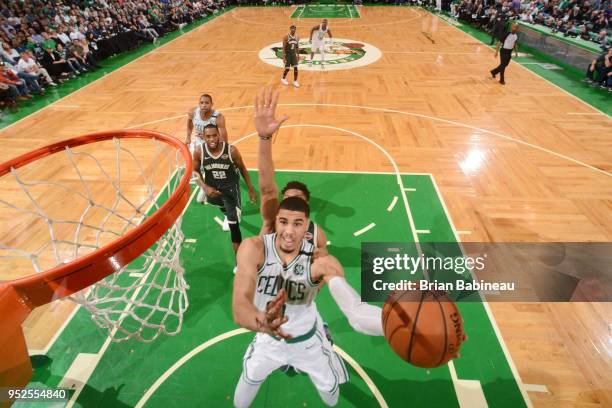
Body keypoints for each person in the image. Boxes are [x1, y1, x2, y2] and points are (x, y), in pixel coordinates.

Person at [232, 89, 384, 408]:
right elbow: (267, 186)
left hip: (307, 338)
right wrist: (263, 138)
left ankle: (319, 334)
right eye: (286, 207)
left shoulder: (318, 248)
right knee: (244, 391)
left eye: (299, 211)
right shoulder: (262, 238)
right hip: (267, 337)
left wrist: (398, 322)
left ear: (307, 219)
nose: (289, 223)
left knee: (330, 394)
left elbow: (355, 312)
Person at [192, 123, 257, 251]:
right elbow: (195, 172)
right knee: (220, 205)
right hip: (212, 187)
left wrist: (250, 188)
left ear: (219, 135)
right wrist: (204, 187)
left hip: (230, 189)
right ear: (203, 137)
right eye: (208, 136)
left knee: (234, 225)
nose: (212, 139)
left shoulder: (231, 151)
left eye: (214, 135)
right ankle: (226, 214)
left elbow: (242, 168)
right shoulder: (199, 151)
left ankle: (238, 262)